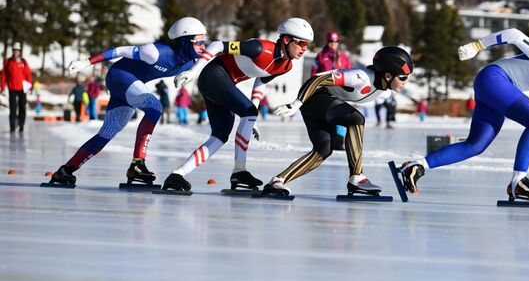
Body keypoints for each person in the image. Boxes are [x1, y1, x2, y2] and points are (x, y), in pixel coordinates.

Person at [400, 29, 529, 202]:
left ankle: (416, 166)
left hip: (495, 88)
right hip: (494, 79)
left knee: (476, 145)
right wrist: (477, 46)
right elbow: (515, 35)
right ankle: (519, 182)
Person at [47, 17, 208, 187]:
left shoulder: (192, 63)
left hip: (131, 86)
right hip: (119, 76)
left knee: (107, 132)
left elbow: (214, 54)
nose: (203, 46)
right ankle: (138, 163)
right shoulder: (155, 52)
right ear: (184, 42)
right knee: (155, 107)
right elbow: (119, 51)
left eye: (205, 41)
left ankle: (65, 171)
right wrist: (86, 62)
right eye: (199, 42)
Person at [160, 17, 314, 192]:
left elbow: (261, 81)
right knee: (247, 113)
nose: (304, 48)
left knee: (220, 135)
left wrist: (253, 113)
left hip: (224, 83)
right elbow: (217, 45)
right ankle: (240, 170)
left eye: (307, 45)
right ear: (286, 39)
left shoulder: (286, 65)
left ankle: (177, 175)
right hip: (214, 75)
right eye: (301, 43)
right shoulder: (260, 48)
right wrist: (193, 71)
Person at [262, 46, 413, 197]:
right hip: (315, 96)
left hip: (318, 104)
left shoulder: (384, 90)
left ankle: (277, 181)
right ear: (387, 75)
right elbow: (317, 78)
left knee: (323, 150)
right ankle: (357, 177)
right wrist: (296, 103)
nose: (405, 82)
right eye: (403, 77)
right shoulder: (361, 77)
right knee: (357, 119)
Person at [312, 31, 352, 150]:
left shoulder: (344, 58)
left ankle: (339, 141)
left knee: (341, 115)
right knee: (326, 116)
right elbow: (314, 74)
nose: (332, 44)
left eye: (335, 41)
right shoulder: (320, 56)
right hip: (325, 91)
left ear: (338, 42)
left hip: (341, 92)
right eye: (330, 41)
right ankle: (326, 140)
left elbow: (350, 74)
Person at [1, 43, 32, 133]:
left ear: (19, 51)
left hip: (23, 88)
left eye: (17, 50)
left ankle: (21, 125)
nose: (15, 52)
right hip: (12, 88)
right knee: (13, 108)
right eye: (14, 50)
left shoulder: (23, 62)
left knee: (22, 107)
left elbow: (28, 75)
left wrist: (29, 87)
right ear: (12, 51)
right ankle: (12, 126)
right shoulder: (8, 62)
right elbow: (3, 75)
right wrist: (2, 87)